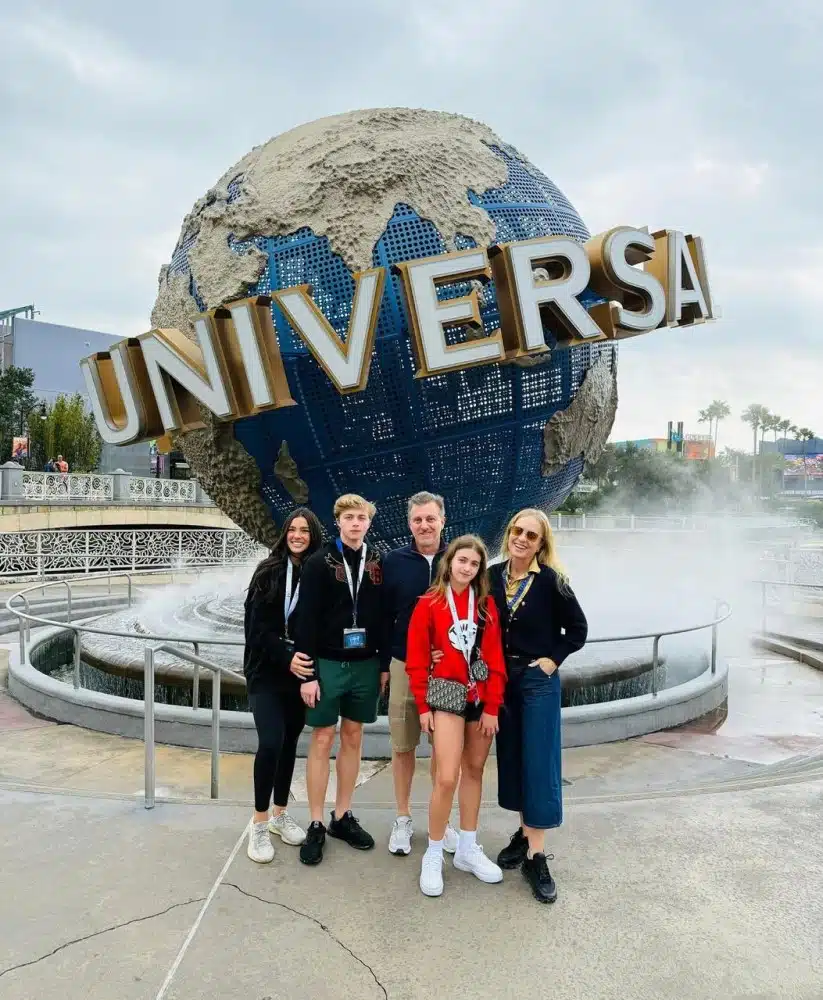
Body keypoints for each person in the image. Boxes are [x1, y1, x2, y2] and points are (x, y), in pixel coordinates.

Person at [490, 508, 588, 904]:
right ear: (509, 532)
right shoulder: (492, 575)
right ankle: (523, 830)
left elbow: (577, 630)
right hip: (502, 679)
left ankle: (536, 855)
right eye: (517, 530)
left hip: (536, 681)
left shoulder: (552, 581)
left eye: (532, 535)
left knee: (540, 760)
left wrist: (553, 659)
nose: (522, 539)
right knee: (512, 757)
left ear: (541, 544)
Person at [405, 535, 507, 897]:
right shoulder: (429, 603)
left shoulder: (486, 606)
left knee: (475, 770)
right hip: (447, 696)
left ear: (480, 569)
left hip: (480, 697)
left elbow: (496, 659)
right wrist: (421, 707)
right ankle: (434, 852)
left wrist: (493, 706)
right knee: (446, 776)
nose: (467, 568)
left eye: (474, 563)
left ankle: (467, 847)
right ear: (449, 562)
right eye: (462, 560)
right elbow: (416, 660)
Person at [292, 493, 387, 866]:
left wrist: (381, 665)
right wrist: (308, 674)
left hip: (365, 662)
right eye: (349, 517)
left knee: (353, 735)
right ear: (338, 522)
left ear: (369, 522)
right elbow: (305, 619)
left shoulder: (377, 561)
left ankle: (342, 815)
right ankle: (316, 820)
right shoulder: (318, 563)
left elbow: (381, 615)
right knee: (322, 737)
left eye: (361, 517)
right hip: (328, 662)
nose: (355, 523)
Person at [243, 507, 324, 863]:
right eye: (293, 529)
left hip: (299, 673)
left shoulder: (319, 573)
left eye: (305, 531)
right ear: (285, 533)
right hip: (267, 672)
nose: (298, 536)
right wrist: (285, 655)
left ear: (313, 535)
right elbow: (257, 629)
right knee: (271, 743)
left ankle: (279, 813)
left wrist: (308, 669)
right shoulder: (269, 571)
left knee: (290, 743)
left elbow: (322, 628)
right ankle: (258, 823)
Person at [381, 491, 459, 857]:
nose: (424, 525)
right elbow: (381, 617)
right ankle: (402, 818)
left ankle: (439, 821)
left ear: (443, 519)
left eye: (431, 518)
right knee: (403, 747)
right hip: (402, 665)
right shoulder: (393, 562)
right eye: (418, 520)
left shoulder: (459, 559)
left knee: (443, 752)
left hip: (447, 670)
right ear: (409, 523)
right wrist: (383, 665)